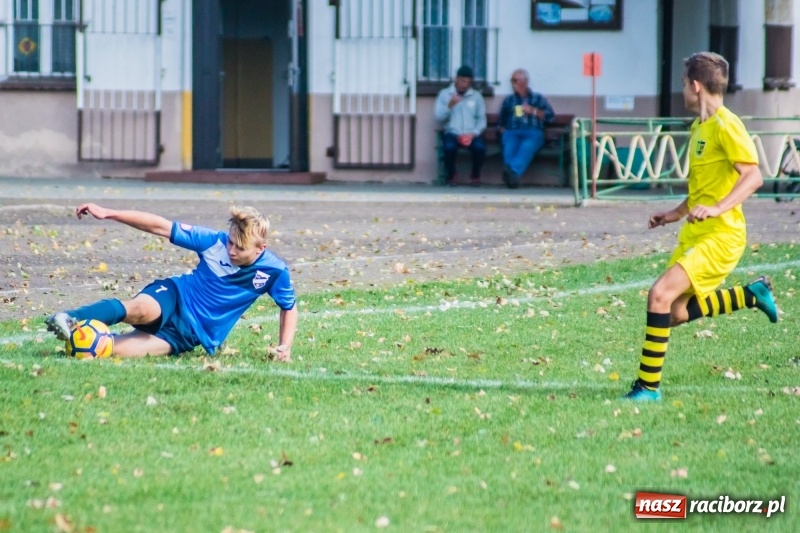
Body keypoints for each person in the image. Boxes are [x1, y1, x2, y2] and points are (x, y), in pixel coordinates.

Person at [624, 52, 778, 401]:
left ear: (695, 86)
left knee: (659, 295)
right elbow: (703, 192)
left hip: (722, 237)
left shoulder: (727, 124)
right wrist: (675, 214)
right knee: (674, 312)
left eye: (683, 84)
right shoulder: (699, 128)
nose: (682, 91)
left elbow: (753, 177)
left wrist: (719, 208)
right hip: (697, 233)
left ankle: (648, 388)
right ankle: (750, 295)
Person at [46, 203, 298, 360]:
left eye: (240, 248)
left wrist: (284, 347)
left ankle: (80, 342)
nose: (231, 250)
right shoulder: (213, 241)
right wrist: (110, 213)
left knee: (107, 349)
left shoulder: (274, 271)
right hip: (174, 296)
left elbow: (288, 306)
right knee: (140, 310)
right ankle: (68, 317)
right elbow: (160, 226)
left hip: (188, 335)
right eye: (230, 242)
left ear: (260, 248)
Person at [498, 68, 555, 189]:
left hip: (532, 131)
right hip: (512, 131)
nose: (513, 84)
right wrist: (502, 129)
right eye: (511, 81)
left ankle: (511, 171)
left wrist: (534, 111)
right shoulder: (509, 100)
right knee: (509, 145)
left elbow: (550, 117)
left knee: (527, 146)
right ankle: (512, 176)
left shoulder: (538, 98)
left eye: (515, 80)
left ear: (525, 81)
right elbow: (501, 119)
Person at [434, 65, 487, 187]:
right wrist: (449, 106)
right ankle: (452, 175)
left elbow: (481, 120)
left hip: (471, 133)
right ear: (456, 79)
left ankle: (475, 176)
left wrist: (473, 133)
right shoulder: (444, 94)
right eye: (463, 81)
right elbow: (438, 117)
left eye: (468, 82)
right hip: (452, 132)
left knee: (480, 148)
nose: (465, 85)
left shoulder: (476, 96)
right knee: (449, 147)